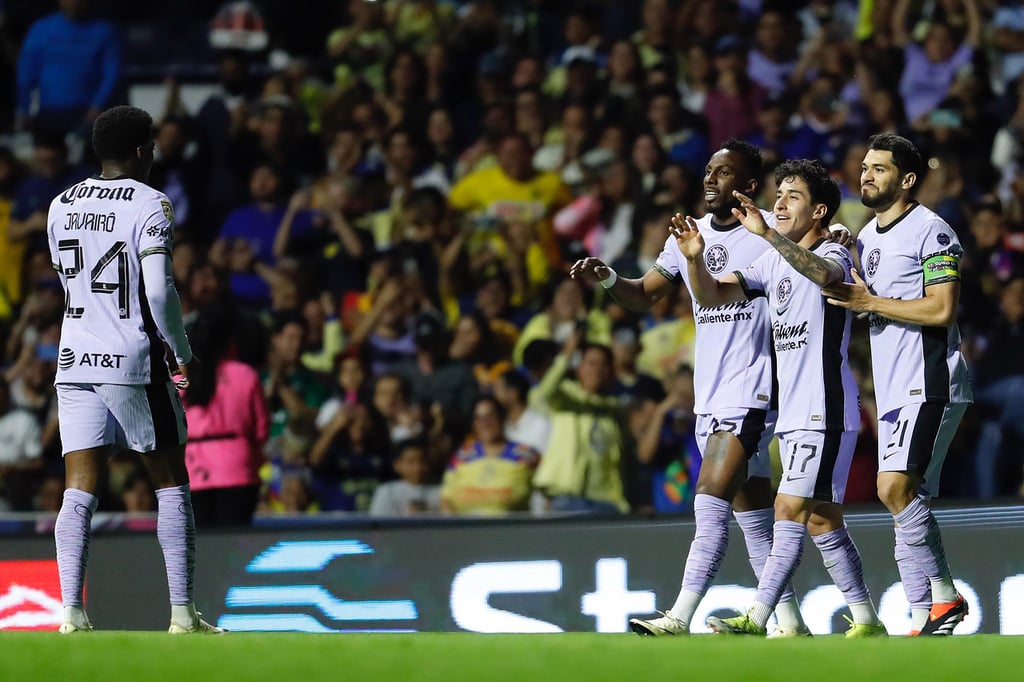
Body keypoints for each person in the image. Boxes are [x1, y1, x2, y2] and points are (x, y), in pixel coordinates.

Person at [571, 140, 808, 636]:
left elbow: (814, 252)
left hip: (753, 391)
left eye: (723, 173)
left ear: (745, 185)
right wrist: (608, 276)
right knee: (755, 523)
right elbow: (642, 295)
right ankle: (790, 623)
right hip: (711, 395)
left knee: (709, 499)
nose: (709, 179)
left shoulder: (768, 230)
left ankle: (680, 615)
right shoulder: (689, 235)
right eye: (707, 171)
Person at [675, 159, 885, 637]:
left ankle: (760, 615)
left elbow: (826, 278)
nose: (780, 203)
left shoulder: (836, 250)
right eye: (779, 194)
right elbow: (713, 296)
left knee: (787, 509)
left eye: (794, 196)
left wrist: (770, 235)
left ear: (820, 212)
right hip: (792, 411)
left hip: (825, 406)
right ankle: (868, 620)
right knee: (823, 521)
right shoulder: (771, 262)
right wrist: (692, 258)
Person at [46, 105, 222, 633]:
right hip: (133, 358)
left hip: (74, 354)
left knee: (79, 487)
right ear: (143, 150)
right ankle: (182, 615)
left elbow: (65, 277)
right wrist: (183, 353)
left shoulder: (60, 204)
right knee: (169, 481)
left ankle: (71, 614)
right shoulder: (152, 203)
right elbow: (158, 289)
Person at [822, 133, 973, 635]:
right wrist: (850, 249)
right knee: (903, 503)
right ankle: (920, 617)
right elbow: (877, 287)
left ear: (907, 180)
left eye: (879, 168)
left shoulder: (933, 231)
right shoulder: (871, 234)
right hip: (892, 389)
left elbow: (942, 307)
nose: (866, 174)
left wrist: (869, 304)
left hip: (930, 382)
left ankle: (947, 597)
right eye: (864, 166)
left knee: (893, 487)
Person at [182, 310, 269, 527]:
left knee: (199, 549)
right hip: (238, 469)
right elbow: (261, 430)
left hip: (192, 471)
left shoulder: (182, 378)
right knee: (233, 546)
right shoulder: (246, 374)